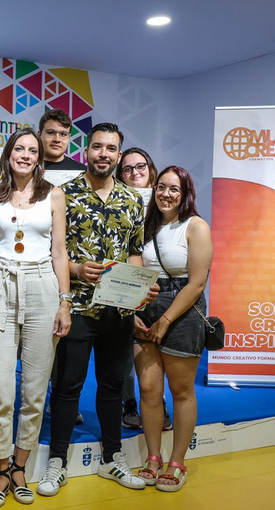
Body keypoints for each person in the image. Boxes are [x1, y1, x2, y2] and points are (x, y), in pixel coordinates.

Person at [36, 123, 157, 497]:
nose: (103, 154)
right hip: (77, 308)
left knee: (111, 387)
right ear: (86, 151)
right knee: (67, 387)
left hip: (118, 312)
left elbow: (135, 252)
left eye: (111, 149)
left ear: (119, 156)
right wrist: (75, 270)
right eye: (97, 147)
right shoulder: (63, 194)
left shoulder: (133, 200)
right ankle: (56, 463)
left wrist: (140, 290)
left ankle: (112, 457)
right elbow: (53, 252)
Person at [0, 128, 71, 508]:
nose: (26, 155)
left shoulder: (54, 194)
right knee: (0, 388)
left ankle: (20, 466)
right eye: (20, 148)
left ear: (40, 157)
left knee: (34, 391)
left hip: (42, 286)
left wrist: (64, 303)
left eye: (33, 150)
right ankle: (0, 468)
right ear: (9, 152)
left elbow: (60, 251)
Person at [134, 166, 212, 492]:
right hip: (145, 304)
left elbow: (197, 282)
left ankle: (177, 461)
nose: (166, 194)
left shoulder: (196, 226)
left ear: (185, 193)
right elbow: (132, 270)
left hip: (183, 310)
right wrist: (132, 310)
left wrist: (165, 321)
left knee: (181, 391)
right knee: (150, 389)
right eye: (161, 187)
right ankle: (153, 457)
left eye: (174, 189)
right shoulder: (144, 226)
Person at [115, 147, 169, 431]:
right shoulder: (117, 204)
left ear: (151, 170)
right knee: (125, 354)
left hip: (163, 290)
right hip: (128, 285)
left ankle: (158, 405)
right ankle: (129, 405)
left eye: (141, 167)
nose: (135, 173)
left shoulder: (166, 203)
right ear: (120, 176)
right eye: (127, 169)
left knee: (159, 356)